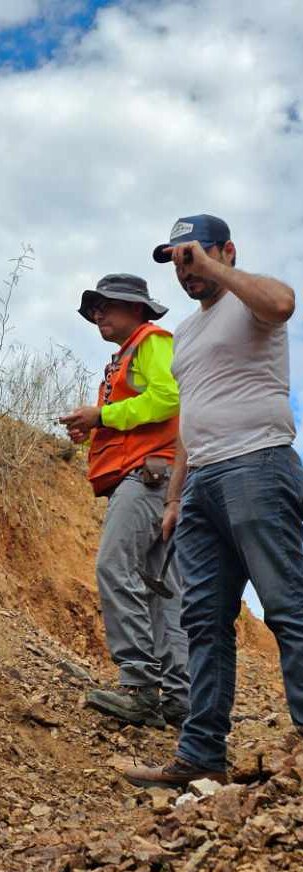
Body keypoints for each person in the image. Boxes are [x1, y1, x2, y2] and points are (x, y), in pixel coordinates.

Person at [125, 214, 301, 789]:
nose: (184, 269)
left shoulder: (250, 298)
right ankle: (201, 754)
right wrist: (176, 498)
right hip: (200, 486)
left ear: (224, 249)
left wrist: (218, 269)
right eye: (175, 260)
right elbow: (189, 421)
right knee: (202, 620)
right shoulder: (188, 335)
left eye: (191, 255)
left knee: (286, 605)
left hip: (259, 464)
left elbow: (283, 304)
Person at [61, 275, 190, 728]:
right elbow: (140, 411)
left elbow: (170, 398)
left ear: (137, 309)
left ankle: (139, 687)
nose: (98, 314)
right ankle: (177, 698)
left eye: (107, 305)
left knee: (114, 568)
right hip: (158, 479)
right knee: (160, 590)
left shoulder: (151, 343)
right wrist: (96, 425)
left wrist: (104, 415)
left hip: (148, 476)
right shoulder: (125, 359)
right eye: (94, 307)